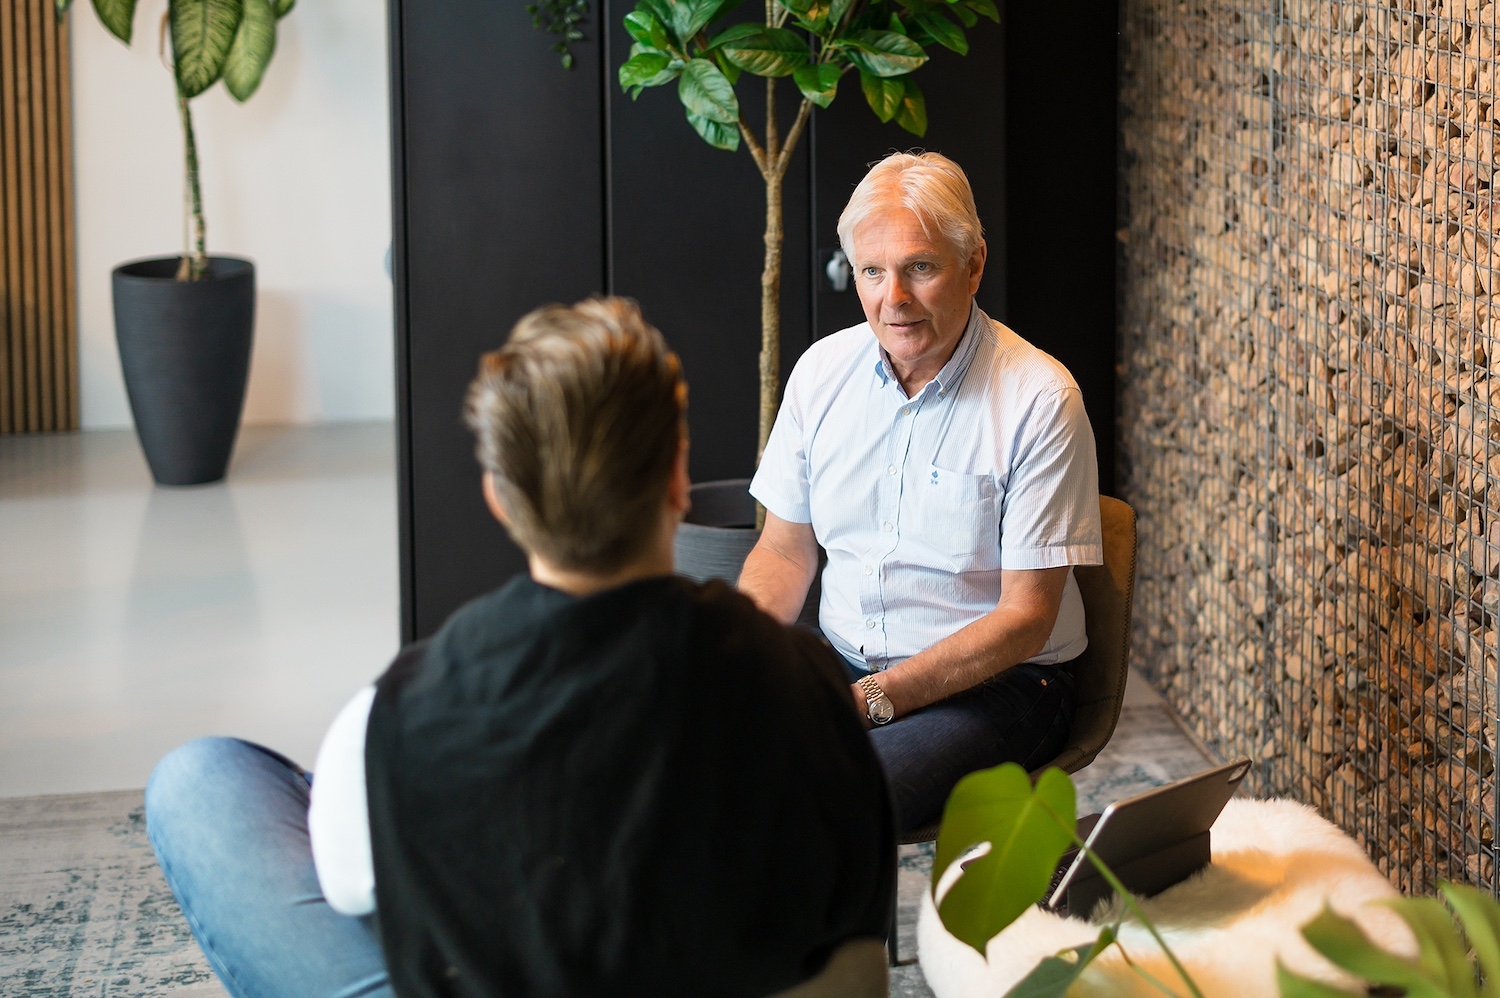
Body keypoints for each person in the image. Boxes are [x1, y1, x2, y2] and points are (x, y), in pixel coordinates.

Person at [145, 298, 894, 998]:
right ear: (677, 477)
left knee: (202, 781)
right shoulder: (806, 684)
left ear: (500, 499)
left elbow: (348, 888)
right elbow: (855, 904)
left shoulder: (398, 714)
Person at [740, 152, 1103, 835]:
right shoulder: (821, 375)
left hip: (1001, 686)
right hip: (847, 667)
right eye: (872, 272)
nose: (892, 299)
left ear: (974, 265)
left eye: (921, 268)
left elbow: (1026, 617)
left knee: (828, 804)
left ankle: (835, 942)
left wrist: (873, 699)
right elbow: (784, 554)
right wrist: (734, 656)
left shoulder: (1039, 399)